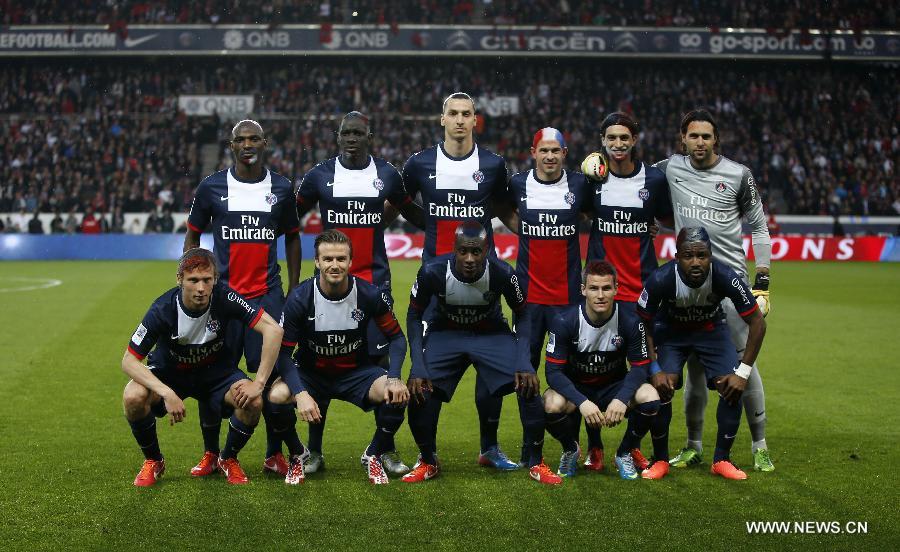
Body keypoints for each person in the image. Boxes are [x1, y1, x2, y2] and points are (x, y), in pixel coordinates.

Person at [295, 111, 424, 476]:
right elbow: (291, 217)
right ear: (337, 137)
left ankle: (383, 449)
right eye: (345, 133)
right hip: (330, 287)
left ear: (369, 135)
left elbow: (411, 211)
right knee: (320, 363)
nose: (351, 138)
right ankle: (314, 451)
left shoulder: (386, 175)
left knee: (382, 369)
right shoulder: (319, 176)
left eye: (357, 133)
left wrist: (450, 220)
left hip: (374, 286)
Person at [401, 92, 519, 470]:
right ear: (442, 119)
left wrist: (532, 231)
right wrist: (432, 225)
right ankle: (427, 455)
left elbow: (503, 208)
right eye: (453, 113)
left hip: (483, 283)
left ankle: (490, 448)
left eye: (466, 114)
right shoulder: (420, 164)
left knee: (492, 368)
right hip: (437, 285)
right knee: (428, 374)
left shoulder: (493, 164)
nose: (459, 120)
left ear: (474, 120)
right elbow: (403, 203)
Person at [654, 109, 774, 472]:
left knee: (743, 366)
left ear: (716, 139)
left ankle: (760, 446)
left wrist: (762, 283)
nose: (700, 143)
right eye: (694, 136)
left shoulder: (739, 175)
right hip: (689, 284)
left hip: (731, 284)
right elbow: (633, 174)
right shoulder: (670, 168)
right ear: (683, 139)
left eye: (706, 136)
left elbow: (759, 229)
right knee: (693, 370)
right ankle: (693, 446)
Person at [184, 119, 301, 478]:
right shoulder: (211, 188)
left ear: (265, 143)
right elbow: (193, 235)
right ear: (231, 146)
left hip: (267, 297)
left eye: (254, 139)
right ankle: (210, 453)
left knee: (275, 376)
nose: (247, 144)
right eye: (240, 140)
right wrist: (192, 283)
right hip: (224, 299)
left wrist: (294, 290)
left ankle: (273, 453)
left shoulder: (281, 188)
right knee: (211, 374)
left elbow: (293, 238)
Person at [403, 222, 561, 485]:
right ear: (454, 249)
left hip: (491, 334)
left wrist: (524, 361)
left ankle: (536, 461)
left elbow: (523, 314)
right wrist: (417, 365)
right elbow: (413, 315)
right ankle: (428, 459)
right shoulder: (432, 271)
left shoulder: (502, 273)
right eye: (463, 251)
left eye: (476, 252)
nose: (469, 259)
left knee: (528, 383)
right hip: (446, 334)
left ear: (487, 250)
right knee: (420, 388)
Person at [120, 248, 285, 486]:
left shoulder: (225, 297)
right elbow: (128, 360)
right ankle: (154, 461)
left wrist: (258, 384)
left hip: (217, 375)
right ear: (180, 280)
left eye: (207, 280)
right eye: (193, 280)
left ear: (215, 280)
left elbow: (274, 329)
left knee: (253, 401)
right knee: (133, 396)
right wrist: (166, 392)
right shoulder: (162, 309)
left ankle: (227, 458)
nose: (200, 288)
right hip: (171, 376)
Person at [268, 230, 409, 485]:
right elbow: (284, 355)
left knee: (396, 395)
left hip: (355, 373)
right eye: (329, 259)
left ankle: (373, 454)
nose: (335, 265)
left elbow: (397, 338)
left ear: (351, 262)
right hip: (311, 373)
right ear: (318, 262)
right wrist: (300, 394)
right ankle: (300, 453)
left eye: (341, 259)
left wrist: (395, 377)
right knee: (277, 396)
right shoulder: (300, 299)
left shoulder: (368, 294)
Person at [637, 227, 766, 480]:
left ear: (710, 255)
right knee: (662, 386)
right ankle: (660, 459)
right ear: (676, 256)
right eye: (688, 256)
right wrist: (654, 368)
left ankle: (721, 460)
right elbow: (642, 323)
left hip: (711, 330)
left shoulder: (724, 276)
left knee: (732, 384)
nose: (695, 262)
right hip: (671, 332)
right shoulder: (661, 279)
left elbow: (758, 322)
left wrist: (743, 372)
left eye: (702, 255)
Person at [582, 112, 672, 472]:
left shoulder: (654, 178)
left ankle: (639, 448)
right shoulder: (593, 179)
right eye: (611, 138)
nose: (618, 144)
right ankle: (595, 448)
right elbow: (583, 211)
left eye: (624, 138)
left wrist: (652, 228)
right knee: (592, 369)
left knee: (649, 373)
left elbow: (663, 217)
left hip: (642, 294)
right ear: (602, 140)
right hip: (601, 293)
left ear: (635, 139)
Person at [505, 127, 592, 465]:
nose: (550, 156)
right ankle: (531, 447)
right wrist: (520, 226)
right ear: (533, 152)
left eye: (556, 150)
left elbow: (595, 211)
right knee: (525, 373)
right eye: (544, 150)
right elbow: (500, 205)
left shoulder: (580, 185)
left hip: (568, 300)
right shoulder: (518, 184)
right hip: (527, 301)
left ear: (565, 154)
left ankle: (571, 445)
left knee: (570, 375)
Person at [543, 260, 661, 480]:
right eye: (594, 288)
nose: (600, 295)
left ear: (616, 288)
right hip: (578, 387)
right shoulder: (564, 321)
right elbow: (553, 372)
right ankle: (571, 449)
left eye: (606, 288)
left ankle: (625, 451)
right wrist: (582, 402)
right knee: (550, 403)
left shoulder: (631, 322)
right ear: (583, 290)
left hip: (613, 388)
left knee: (650, 396)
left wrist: (622, 399)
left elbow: (639, 368)